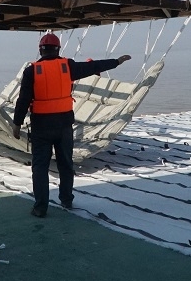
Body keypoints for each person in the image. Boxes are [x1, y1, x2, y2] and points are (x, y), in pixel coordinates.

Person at [12, 33, 131, 217]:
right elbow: (93, 66)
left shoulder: (31, 71)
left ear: (40, 50)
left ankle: (40, 208)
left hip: (41, 128)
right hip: (64, 127)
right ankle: (66, 200)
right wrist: (116, 62)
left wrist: (16, 124)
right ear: (58, 49)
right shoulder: (67, 66)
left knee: (40, 168)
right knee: (66, 165)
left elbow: (23, 100)